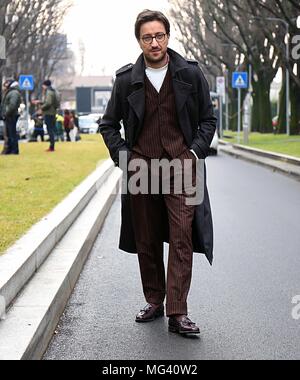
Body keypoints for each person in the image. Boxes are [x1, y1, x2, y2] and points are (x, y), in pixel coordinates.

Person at [99, 10, 216, 335]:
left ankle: (178, 312)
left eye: (159, 35)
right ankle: (154, 299)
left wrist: (194, 152)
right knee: (147, 239)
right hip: (141, 169)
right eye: (147, 37)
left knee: (181, 239)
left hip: (183, 168)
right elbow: (108, 125)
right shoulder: (126, 80)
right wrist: (126, 158)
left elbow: (208, 119)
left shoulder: (190, 75)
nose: (154, 42)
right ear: (139, 40)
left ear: (168, 36)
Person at [35, 80, 58, 152]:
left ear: (45, 85)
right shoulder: (53, 91)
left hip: (49, 113)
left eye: (43, 85)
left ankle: (51, 147)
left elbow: (48, 103)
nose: (42, 87)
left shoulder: (48, 92)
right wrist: (40, 102)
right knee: (51, 129)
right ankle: (52, 146)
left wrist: (41, 108)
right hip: (52, 112)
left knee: (50, 130)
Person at [1, 79, 22, 155]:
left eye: (5, 84)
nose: (4, 86)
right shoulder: (12, 92)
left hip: (11, 115)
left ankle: (14, 150)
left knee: (11, 133)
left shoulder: (13, 93)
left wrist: (6, 113)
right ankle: (9, 150)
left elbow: (12, 105)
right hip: (10, 115)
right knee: (9, 133)